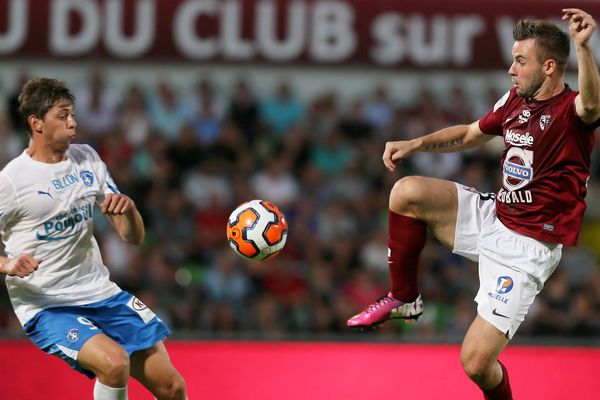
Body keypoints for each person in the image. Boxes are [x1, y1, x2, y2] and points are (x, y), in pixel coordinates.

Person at [347, 8, 599, 400]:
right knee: (406, 192)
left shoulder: (571, 112)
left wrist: (584, 48)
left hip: (526, 249)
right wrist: (414, 143)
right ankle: (404, 298)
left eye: (519, 61)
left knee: (476, 364)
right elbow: (468, 133)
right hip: (494, 216)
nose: (511, 70)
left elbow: (593, 105)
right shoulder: (516, 99)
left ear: (549, 67)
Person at [0, 77, 187, 400]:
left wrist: (128, 211)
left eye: (72, 114)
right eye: (62, 115)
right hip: (48, 305)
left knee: (172, 387)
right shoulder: (12, 181)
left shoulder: (87, 158)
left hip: (101, 293)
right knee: (114, 364)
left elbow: (133, 237)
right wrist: (7, 263)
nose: (73, 122)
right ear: (36, 123)